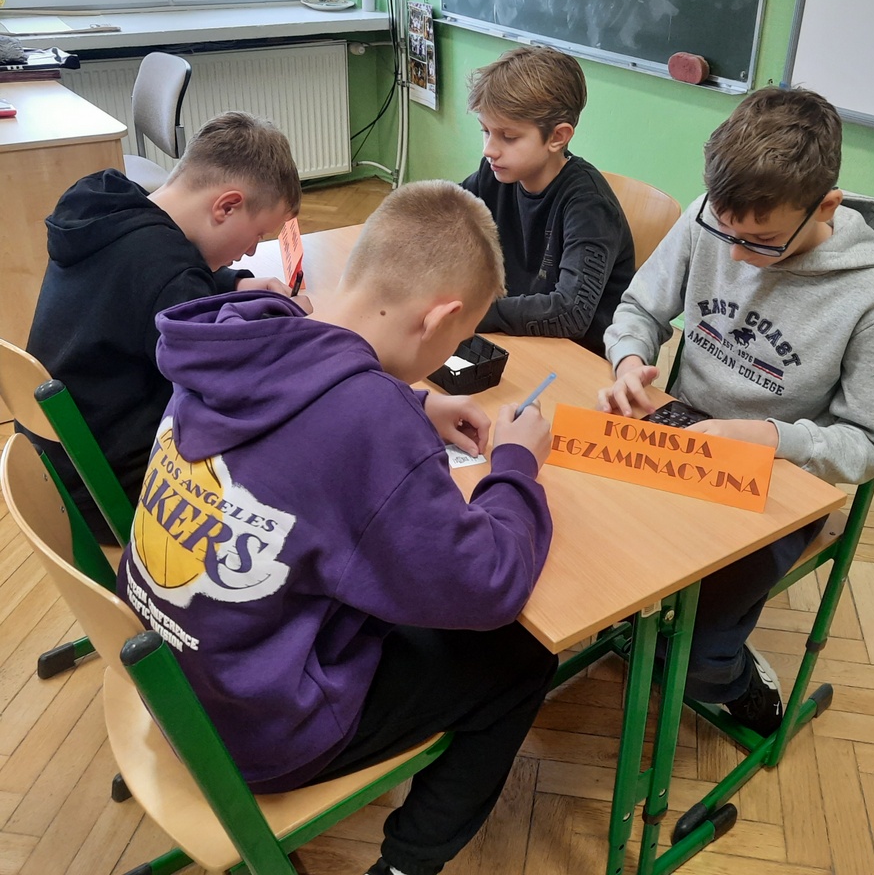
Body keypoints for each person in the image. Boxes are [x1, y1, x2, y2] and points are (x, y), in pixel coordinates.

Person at [116, 180, 557, 875]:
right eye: (460, 337)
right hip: (257, 729)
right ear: (441, 317)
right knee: (521, 660)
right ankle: (406, 865)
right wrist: (515, 466)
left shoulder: (238, 335)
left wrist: (414, 404)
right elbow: (490, 583)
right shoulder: (367, 423)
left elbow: (308, 411)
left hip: (174, 680)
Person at [598, 86, 874, 735]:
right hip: (681, 429)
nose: (738, 256)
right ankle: (651, 634)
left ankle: (735, 680)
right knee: (595, 548)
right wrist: (629, 360)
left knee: (699, 653)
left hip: (782, 478)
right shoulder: (708, 219)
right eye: (728, 233)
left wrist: (771, 438)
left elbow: (871, 447)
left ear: (825, 206)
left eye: (763, 241)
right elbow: (638, 309)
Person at [23, 110, 303, 545]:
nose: (250, 251)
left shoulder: (112, 209)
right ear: (227, 206)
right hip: (110, 491)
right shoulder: (170, 276)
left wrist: (233, 283)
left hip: (56, 466)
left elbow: (146, 284)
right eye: (259, 235)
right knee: (289, 460)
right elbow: (229, 385)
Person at [461, 44, 635, 356]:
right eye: (485, 131)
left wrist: (474, 313)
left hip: (577, 356)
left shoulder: (589, 206)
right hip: (516, 337)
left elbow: (570, 312)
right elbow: (443, 217)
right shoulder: (495, 173)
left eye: (508, 137)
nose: (489, 149)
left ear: (557, 137)